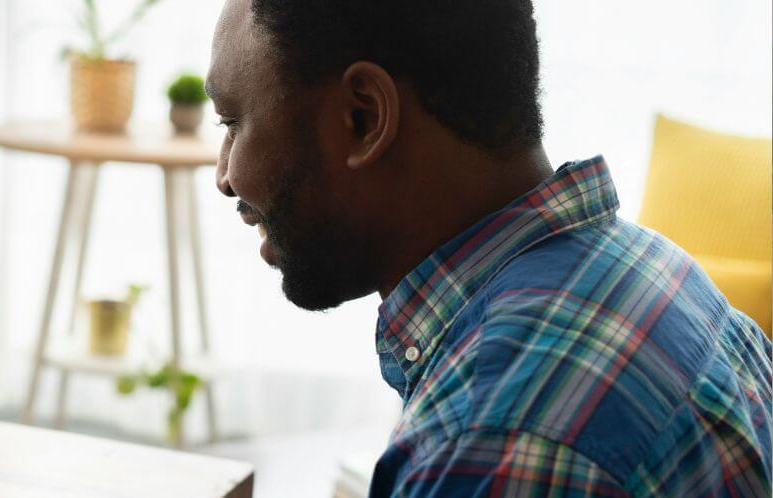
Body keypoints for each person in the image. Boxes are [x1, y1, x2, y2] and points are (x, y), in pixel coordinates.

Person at [206, 0, 772, 496]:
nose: (224, 176)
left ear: (364, 118)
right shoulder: (657, 271)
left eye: (233, 120)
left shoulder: (487, 444)